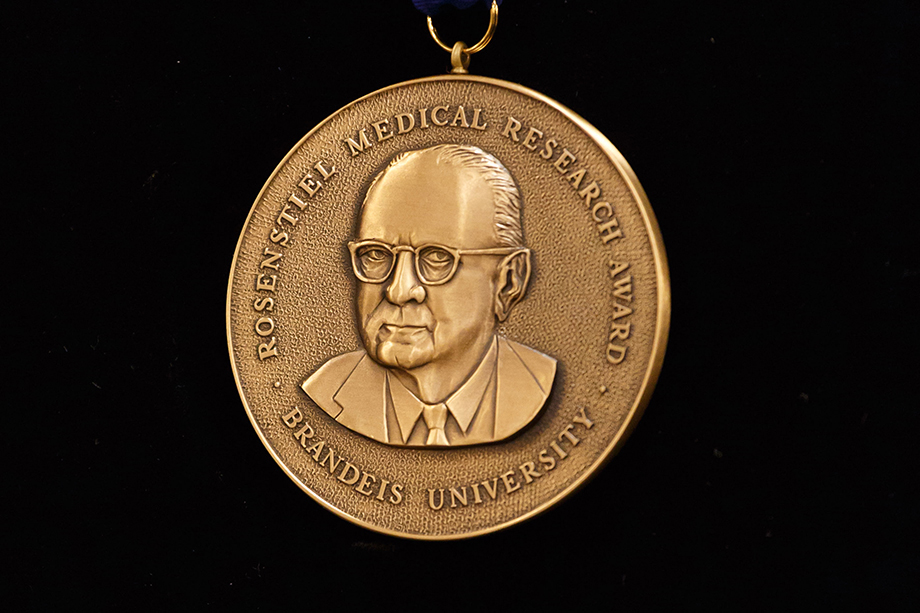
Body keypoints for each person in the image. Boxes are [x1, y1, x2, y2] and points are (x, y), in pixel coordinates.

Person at [302, 144, 556, 446]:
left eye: (437, 258)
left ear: (508, 281)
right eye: (376, 254)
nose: (399, 290)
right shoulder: (323, 392)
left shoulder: (544, 386)